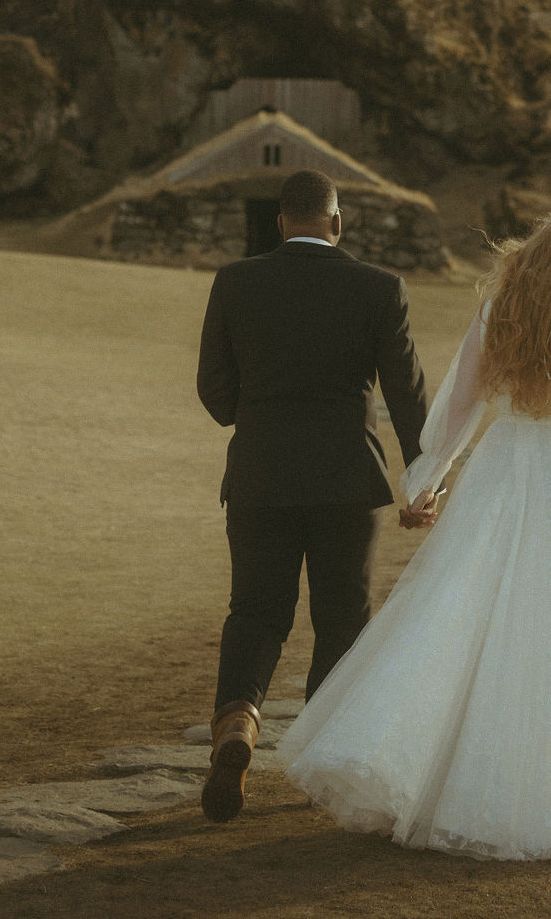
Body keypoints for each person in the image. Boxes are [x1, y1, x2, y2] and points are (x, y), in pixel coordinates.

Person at [277, 213, 551, 864]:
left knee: (464, 610)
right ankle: (546, 796)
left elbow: (460, 406)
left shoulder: (497, 312)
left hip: (504, 464)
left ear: (531, 257)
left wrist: (426, 478)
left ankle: (437, 769)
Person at [195, 169, 432, 823]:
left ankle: (238, 724)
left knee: (255, 612)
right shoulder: (379, 288)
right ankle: (323, 761)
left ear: (279, 223)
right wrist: (424, 480)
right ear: (337, 222)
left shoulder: (235, 282)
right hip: (346, 484)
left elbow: (215, 392)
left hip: (260, 477)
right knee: (341, 618)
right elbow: (406, 396)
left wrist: (259, 412)